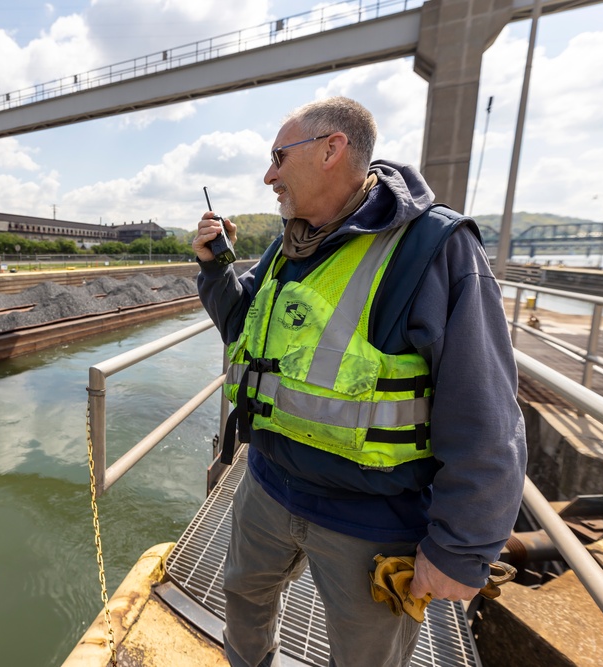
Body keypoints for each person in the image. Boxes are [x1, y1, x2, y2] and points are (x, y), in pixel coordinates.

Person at [193, 96, 526, 667]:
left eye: (278, 156)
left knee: (365, 657)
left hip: (370, 519)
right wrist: (215, 268)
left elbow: (486, 414)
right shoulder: (288, 244)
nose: (268, 175)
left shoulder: (433, 249)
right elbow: (243, 327)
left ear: (332, 149)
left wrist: (460, 548)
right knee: (243, 600)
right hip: (267, 485)